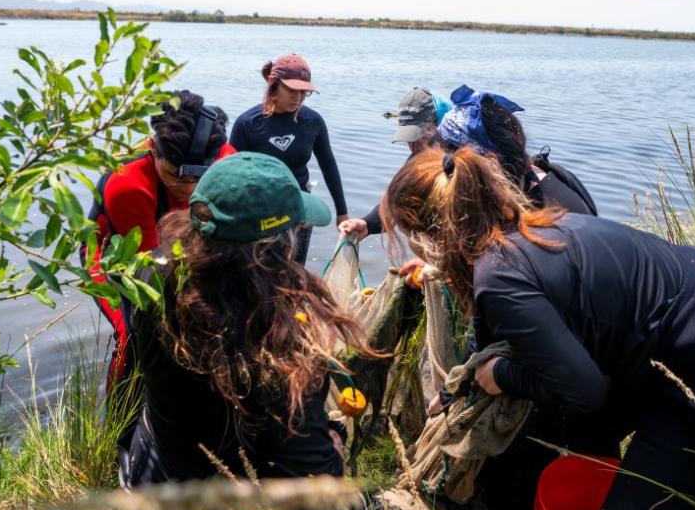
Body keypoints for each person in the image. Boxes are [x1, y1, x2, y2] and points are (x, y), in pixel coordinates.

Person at [380, 147, 695, 510]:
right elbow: (487, 336)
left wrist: (502, 374)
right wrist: (459, 389)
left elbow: (585, 392)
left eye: (409, 234)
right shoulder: (511, 236)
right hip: (660, 359)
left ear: (433, 232)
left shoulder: (500, 274)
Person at [126, 152, 372, 510]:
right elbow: (314, 490)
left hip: (147, 480)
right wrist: (332, 449)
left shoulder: (150, 271)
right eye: (294, 229)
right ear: (268, 249)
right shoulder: (279, 344)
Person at [84, 91, 236, 389]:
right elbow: (151, 276)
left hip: (181, 240)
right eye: (177, 178)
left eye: (200, 178)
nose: (190, 190)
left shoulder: (226, 159)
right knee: (134, 337)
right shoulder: (127, 184)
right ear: (153, 148)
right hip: (116, 256)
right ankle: (120, 429)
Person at [230, 54, 348, 264]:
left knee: (294, 274)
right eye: (292, 91)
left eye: (304, 92)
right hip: (259, 211)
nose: (299, 98)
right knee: (259, 274)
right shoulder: (247, 123)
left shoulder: (313, 121)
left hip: (300, 209)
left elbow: (328, 165)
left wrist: (342, 212)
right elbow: (231, 174)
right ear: (274, 85)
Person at [437, 84, 597, 216]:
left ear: (490, 161)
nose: (446, 171)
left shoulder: (555, 214)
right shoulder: (522, 182)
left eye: (452, 164)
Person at [338, 86, 451, 240]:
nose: (414, 146)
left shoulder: (462, 164)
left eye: (421, 136)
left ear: (441, 128)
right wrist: (366, 224)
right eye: (409, 138)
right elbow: (394, 205)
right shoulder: (416, 162)